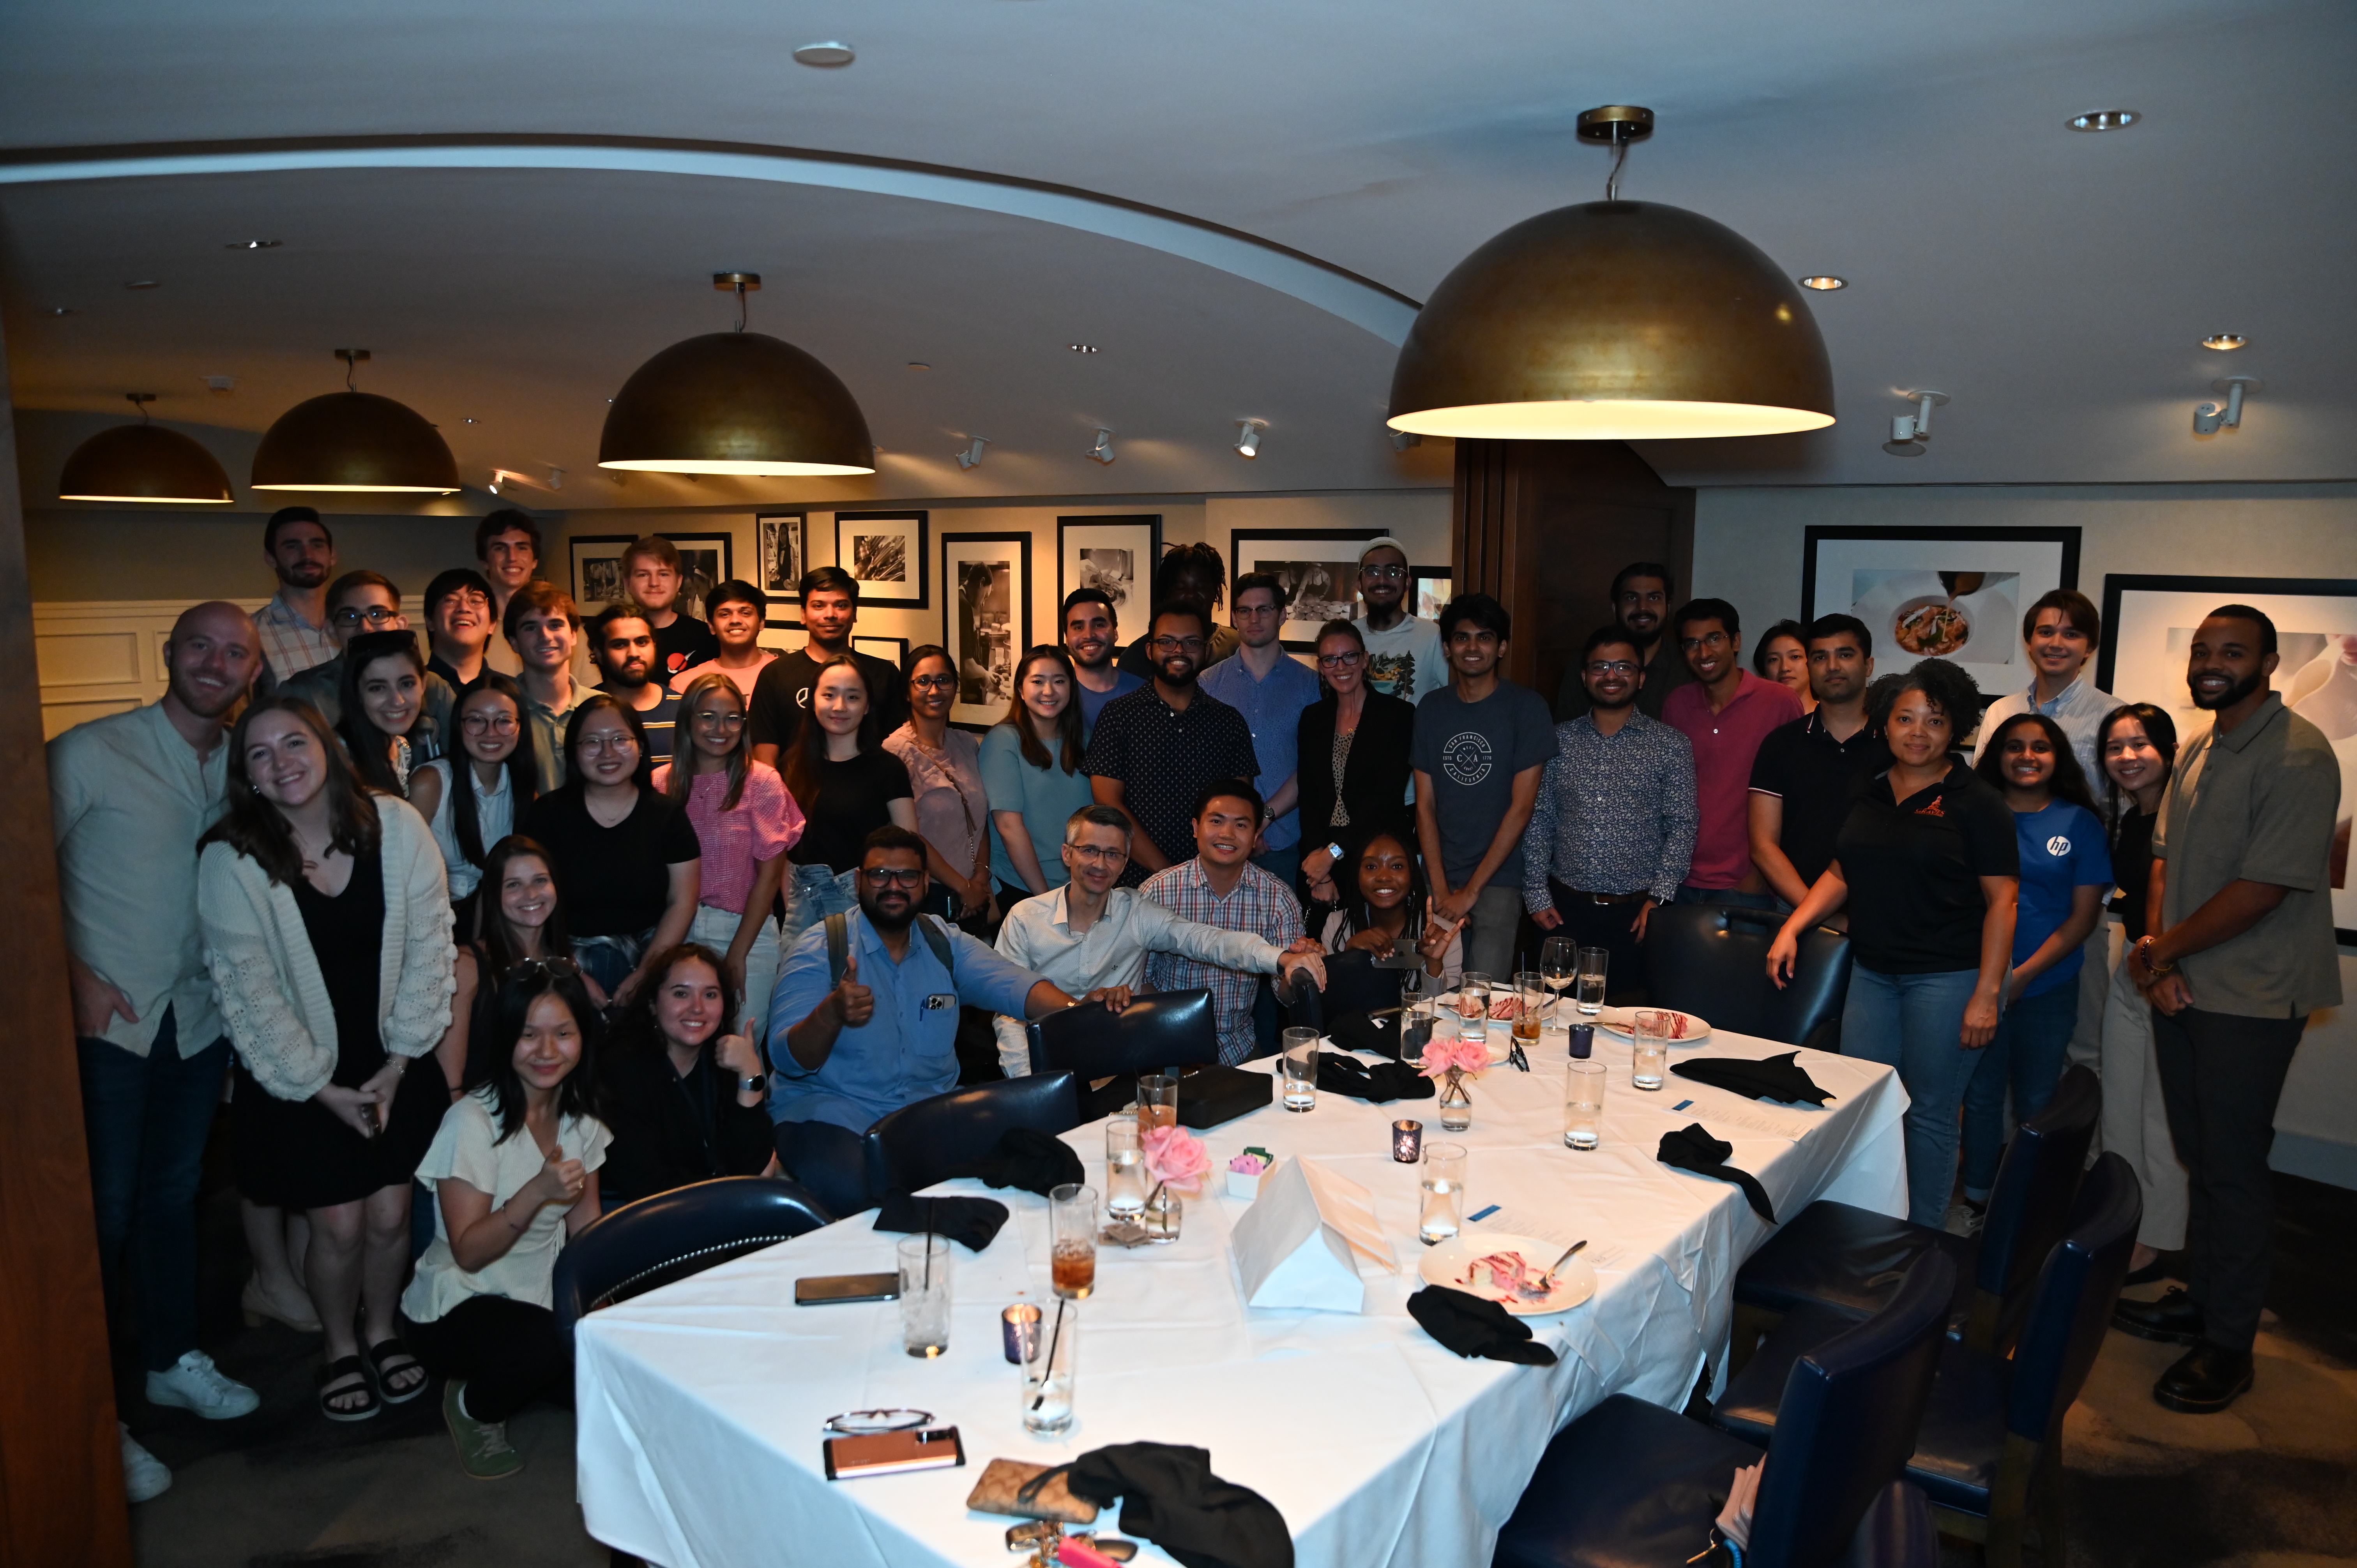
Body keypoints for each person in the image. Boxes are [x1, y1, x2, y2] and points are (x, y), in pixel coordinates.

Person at [50, 600, 266, 1500]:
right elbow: (16, 870)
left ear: (253, 672)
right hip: (109, 1020)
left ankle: (171, 1355)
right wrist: (71, 975)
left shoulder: (247, 769)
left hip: (198, 1018)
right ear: (169, 652)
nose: (216, 663)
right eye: (201, 646)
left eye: (235, 653)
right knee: (95, 1217)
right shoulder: (87, 752)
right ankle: (90, 1413)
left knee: (172, 1198)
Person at [196, 696, 455, 1423]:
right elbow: (246, 990)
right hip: (298, 1078)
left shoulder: (397, 827)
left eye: (294, 741)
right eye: (259, 752)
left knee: (391, 1212)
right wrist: (320, 1087)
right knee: (338, 1224)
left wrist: (401, 1062)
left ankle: (383, 1329)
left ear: (329, 748)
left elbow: (433, 946)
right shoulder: (231, 858)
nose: (281, 761)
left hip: (393, 1060)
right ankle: (340, 1344)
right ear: (245, 775)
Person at [2117, 606, 2340, 1415]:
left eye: (2233, 652)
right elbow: (2168, 858)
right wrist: (2157, 954)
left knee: (2236, 1168)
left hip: (2250, 994)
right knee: (2201, 1153)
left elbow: (2263, 887)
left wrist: (2162, 952)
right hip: (2182, 983)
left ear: (2271, 662)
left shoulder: (2300, 755)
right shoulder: (2204, 744)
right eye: (2204, 651)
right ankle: (2201, 1298)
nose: (2213, 664)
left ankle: (2230, 1342)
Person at [1766, 660, 2018, 1229]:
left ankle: (1918, 1242)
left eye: (1934, 720)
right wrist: (1792, 926)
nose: (1918, 732)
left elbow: (2004, 902)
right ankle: (1864, 1225)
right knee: (1866, 1104)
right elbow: (1840, 871)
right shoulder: (1870, 789)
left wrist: (1988, 993)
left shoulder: (1977, 801)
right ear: (1885, 725)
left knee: (1928, 1115)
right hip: (1874, 975)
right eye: (1905, 718)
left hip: (1948, 979)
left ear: (1957, 729)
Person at [769, 826, 1084, 1213]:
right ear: (858, 881)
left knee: (1038, 1163)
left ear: (925, 882)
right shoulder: (821, 949)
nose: (893, 886)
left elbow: (1023, 990)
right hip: (832, 1115)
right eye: (880, 874)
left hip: (926, 1115)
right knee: (861, 1197)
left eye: (907, 875)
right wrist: (831, 1013)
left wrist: (1085, 1015)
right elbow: (788, 1058)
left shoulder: (945, 944)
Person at [403, 962, 608, 1480]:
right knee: (546, 1347)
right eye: (529, 1035)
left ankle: (537, 1364)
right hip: (457, 1304)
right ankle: (472, 1405)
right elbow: (469, 1250)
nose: (546, 1051)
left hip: (538, 1299)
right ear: (505, 1038)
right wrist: (536, 1191)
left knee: (604, 1368)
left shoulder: (580, 1119)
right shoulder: (471, 1121)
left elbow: (588, 1231)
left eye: (563, 1034)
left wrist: (608, 1311)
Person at [995, 804, 1328, 1077]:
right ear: (1068, 854)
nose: (1100, 864)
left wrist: (1282, 959)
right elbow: (1007, 1014)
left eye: (1112, 854)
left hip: (1119, 1075)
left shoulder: (1136, 912)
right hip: (1046, 1069)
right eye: (1090, 851)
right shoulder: (1025, 918)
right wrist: (1030, 1085)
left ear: (1125, 863)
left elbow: (1206, 939)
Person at [1960, 713, 2113, 1221]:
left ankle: (2031, 1209)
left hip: (2047, 987)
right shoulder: (1975, 813)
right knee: (1980, 1099)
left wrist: (2022, 977)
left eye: (2040, 748)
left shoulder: (2079, 823)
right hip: (1977, 984)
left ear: (2057, 758)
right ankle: (1978, 1199)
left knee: (2037, 1102)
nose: (2027, 756)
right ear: (1997, 757)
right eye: (2014, 747)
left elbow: (2083, 917)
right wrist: (1994, 982)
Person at [1971, 588, 2120, 1074]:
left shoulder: (2109, 716)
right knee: (1988, 1039)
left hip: (2074, 902)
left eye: (2072, 633)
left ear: (2089, 646)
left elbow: (2121, 809)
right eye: (2046, 631)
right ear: (2029, 640)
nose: (2057, 642)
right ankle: (2006, 1150)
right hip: (1997, 900)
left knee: (2079, 1043)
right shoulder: (2000, 712)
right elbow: (1979, 801)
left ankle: (2068, 1151)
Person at [1522, 625, 1698, 994]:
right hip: (1563, 911)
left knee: (1628, 1024)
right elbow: (1540, 820)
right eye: (1601, 667)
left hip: (1636, 916)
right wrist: (1536, 894)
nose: (1612, 676)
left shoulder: (1670, 746)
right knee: (1555, 1019)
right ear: (1585, 677)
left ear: (1641, 677)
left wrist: (1659, 899)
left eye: (1624, 667)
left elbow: (1682, 825)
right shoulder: (1558, 741)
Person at [1412, 593, 1558, 983]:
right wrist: (1441, 888)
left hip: (1497, 881)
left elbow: (1521, 808)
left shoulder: (1527, 708)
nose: (1472, 647)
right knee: (1432, 990)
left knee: (1483, 1001)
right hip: (1439, 877)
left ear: (1502, 647)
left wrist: (1471, 892)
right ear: (1447, 648)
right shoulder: (1431, 708)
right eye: (1462, 638)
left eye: (1485, 637)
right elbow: (1424, 805)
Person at [516, 696, 700, 1005]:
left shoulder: (667, 816)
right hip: (563, 960)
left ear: (640, 747)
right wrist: (570, 971)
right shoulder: (547, 816)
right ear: (573, 752)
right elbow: (528, 902)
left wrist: (646, 973)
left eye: (620, 739)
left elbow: (683, 901)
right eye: (592, 742)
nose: (608, 752)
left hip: (651, 957)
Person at [651, 674, 802, 1041]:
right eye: (708, 717)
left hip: (745, 932)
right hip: (675, 930)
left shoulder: (762, 781)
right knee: (675, 1044)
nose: (721, 728)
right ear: (688, 719)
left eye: (733, 718)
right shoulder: (659, 784)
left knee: (740, 1044)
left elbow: (769, 877)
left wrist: (737, 953)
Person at [2091, 703, 2187, 1284]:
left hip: (2170, 975)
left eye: (2141, 744)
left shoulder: (2187, 817)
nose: (2127, 757)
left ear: (2170, 751)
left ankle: (2155, 1240)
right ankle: (2122, 1222)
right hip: (2134, 970)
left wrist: (2159, 966)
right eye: (2115, 748)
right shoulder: (2130, 818)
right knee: (2120, 1106)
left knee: (2160, 1117)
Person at [1085, 599, 1262, 885]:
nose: (1178, 651)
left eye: (1191, 642)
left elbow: (1240, 810)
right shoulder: (1119, 716)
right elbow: (1108, 803)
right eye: (1167, 642)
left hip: (1212, 885)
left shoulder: (1229, 723)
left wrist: (1193, 881)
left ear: (1205, 651)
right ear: (1150, 650)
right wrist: (1167, 876)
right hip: (1135, 884)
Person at [1140, 780, 1313, 1064]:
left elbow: (1283, 993)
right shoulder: (1156, 892)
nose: (1227, 834)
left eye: (1241, 825)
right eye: (1217, 821)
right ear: (1196, 827)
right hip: (1164, 1046)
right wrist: (1171, 1027)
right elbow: (1138, 979)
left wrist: (1302, 970)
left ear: (1257, 835)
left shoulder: (1277, 897)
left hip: (1238, 1047)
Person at [595, 944, 776, 1207]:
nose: (697, 1008)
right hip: (634, 1218)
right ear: (653, 1004)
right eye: (681, 994)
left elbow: (753, 1164)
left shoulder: (722, 1060)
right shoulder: (622, 1068)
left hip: (706, 1206)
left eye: (711, 995)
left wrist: (751, 1076)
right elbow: (646, 1185)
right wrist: (728, 1191)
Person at [432, 835, 606, 1097]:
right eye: (514, 885)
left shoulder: (563, 968)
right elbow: (451, 1084)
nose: (532, 894)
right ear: (493, 895)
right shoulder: (466, 966)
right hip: (483, 1122)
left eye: (540, 881)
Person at [1663, 598, 1802, 909]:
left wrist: (1760, 876)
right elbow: (1666, 793)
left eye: (1714, 639)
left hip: (1748, 886)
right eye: (1692, 644)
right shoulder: (1677, 704)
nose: (1704, 653)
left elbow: (1799, 797)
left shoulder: (1779, 701)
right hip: (1679, 882)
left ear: (1736, 641)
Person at [1747, 613, 1887, 915]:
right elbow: (1763, 846)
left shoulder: (1894, 744)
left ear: (1869, 666)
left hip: (1881, 914)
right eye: (1821, 657)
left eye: (1845, 655)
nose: (1833, 666)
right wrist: (1817, 912)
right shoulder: (1781, 744)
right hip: (1796, 912)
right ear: (1810, 667)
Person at [779, 655, 919, 953]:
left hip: (865, 905)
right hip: (800, 907)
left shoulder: (888, 768)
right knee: (802, 997)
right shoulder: (792, 765)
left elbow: (910, 850)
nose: (840, 706)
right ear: (812, 700)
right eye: (829, 695)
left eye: (853, 697)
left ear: (867, 706)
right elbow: (782, 850)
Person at [1200, 572, 1322, 888]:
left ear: (1282, 615)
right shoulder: (1208, 685)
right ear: (1234, 617)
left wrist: (1260, 822)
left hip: (1287, 844)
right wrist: (1239, 828)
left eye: (1264, 609)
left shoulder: (1311, 686)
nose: (1254, 618)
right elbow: (1203, 769)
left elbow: (1312, 766)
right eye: (1245, 610)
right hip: (1219, 843)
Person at [1295, 620, 1418, 902]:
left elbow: (1385, 799)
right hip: (1323, 864)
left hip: (1380, 857)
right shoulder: (1313, 719)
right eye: (1330, 659)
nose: (1341, 667)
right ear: (1321, 666)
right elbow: (1309, 796)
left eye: (1349, 656)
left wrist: (1333, 853)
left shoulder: (1398, 716)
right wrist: (1320, 866)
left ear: (1365, 660)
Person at [748, 565, 908, 767]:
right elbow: (765, 754)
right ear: (803, 614)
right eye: (818, 606)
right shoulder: (776, 675)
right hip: (794, 793)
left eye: (841, 606)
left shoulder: (884, 674)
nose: (830, 614)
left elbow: (898, 748)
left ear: (855, 613)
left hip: (869, 794)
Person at [885, 646, 994, 929]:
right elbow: (910, 836)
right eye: (923, 681)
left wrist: (980, 878)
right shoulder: (894, 753)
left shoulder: (967, 743)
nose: (935, 690)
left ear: (955, 688)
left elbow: (978, 817)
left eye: (944, 680)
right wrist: (962, 887)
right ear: (907, 691)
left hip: (976, 891)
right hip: (926, 894)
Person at [982, 645, 1099, 906]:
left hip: (1080, 886)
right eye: (1038, 682)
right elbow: (1009, 827)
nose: (1049, 691)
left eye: (1059, 681)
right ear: (1022, 690)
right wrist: (1045, 900)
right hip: (1025, 889)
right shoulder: (1003, 741)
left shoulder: (1084, 738)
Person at [415, 677, 539, 916]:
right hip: (433, 919)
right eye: (476, 720)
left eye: (504, 721)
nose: (491, 733)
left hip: (492, 917)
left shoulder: (524, 791)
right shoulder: (432, 783)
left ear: (520, 727)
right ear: (459, 726)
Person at [282, 570, 458, 736]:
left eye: (378, 614)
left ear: (400, 625)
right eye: (350, 617)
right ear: (331, 630)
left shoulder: (434, 689)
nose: (365, 627)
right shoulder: (303, 694)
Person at [1319, 825, 1461, 988]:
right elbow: (1330, 1002)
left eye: (1397, 866)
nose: (1384, 877)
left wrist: (1434, 964)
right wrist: (1351, 956)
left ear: (1412, 875)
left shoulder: (1447, 934)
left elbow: (1446, 1011)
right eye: (1371, 867)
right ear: (1357, 875)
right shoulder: (1337, 926)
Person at [1555, 562, 1695, 722]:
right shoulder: (1585, 664)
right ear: (1615, 609)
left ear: (1668, 608)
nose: (1643, 608)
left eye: (1654, 598)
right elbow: (1567, 733)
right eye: (1632, 598)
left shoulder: (1686, 666)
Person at [505, 581, 588, 794]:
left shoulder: (603, 709)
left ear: (573, 635)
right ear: (514, 642)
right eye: (531, 627)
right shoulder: (500, 713)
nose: (545, 636)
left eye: (555, 625)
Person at [337, 629, 437, 803]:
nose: (397, 701)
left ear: (424, 684)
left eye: (407, 684)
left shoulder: (401, 747)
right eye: (378, 688)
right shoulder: (338, 755)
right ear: (357, 693)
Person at [1350, 536, 1447, 704]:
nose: (1382, 580)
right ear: (1359, 583)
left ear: (1407, 583)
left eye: (1393, 572)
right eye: (1372, 572)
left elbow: (1456, 697)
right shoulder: (1349, 635)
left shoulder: (1431, 636)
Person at [1116, 544, 1239, 677]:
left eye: (1201, 587)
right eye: (1181, 588)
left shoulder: (1235, 645)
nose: (1191, 595)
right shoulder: (1136, 656)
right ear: (1167, 593)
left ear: (1215, 592)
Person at [587, 602, 681, 763]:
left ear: (654, 647)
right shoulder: (585, 708)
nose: (634, 653)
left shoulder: (684, 709)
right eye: (620, 645)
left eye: (642, 642)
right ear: (599, 654)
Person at [254, 507, 338, 685]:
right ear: (271, 558)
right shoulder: (253, 636)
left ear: (332, 556)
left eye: (317, 545)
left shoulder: (358, 625)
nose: (307, 555)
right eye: (293, 546)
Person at [622, 535, 720, 679]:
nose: (654, 583)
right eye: (643, 575)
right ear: (627, 584)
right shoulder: (608, 637)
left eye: (663, 574)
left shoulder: (706, 638)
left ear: (679, 582)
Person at [668, 579, 777, 700]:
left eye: (746, 613)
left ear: (762, 623)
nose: (735, 620)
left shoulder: (786, 675)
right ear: (711, 626)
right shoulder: (684, 684)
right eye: (725, 614)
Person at [1062, 586, 1143, 727]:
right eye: (1078, 627)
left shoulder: (1144, 693)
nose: (1089, 635)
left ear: (1115, 633)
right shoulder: (1054, 696)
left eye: (1099, 625)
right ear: (1067, 638)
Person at [475, 509, 543, 677]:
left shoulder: (559, 626)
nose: (512, 557)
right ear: (484, 561)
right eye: (500, 548)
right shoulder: (472, 627)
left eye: (522, 548)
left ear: (535, 561)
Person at [423, 567, 496, 690]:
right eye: (451, 600)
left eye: (476, 601)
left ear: (492, 625)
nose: (464, 608)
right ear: (430, 621)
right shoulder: (412, 690)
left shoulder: (510, 694)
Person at [1751, 619, 1813, 714]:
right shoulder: (1756, 720)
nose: (1785, 668)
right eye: (1774, 659)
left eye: (1795, 657)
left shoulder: (1830, 719)